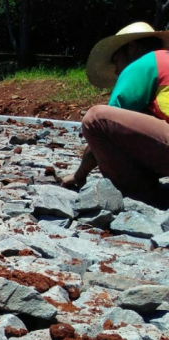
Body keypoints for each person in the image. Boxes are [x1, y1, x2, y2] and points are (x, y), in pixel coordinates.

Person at [62, 22, 169, 208]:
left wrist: (79, 175)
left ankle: (139, 194)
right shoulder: (164, 64)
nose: (116, 69)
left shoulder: (145, 62)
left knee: (97, 119)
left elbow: (107, 129)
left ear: (133, 48)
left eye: (116, 60)